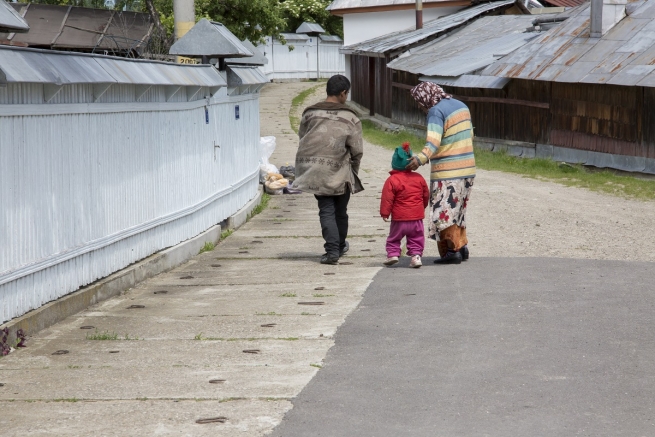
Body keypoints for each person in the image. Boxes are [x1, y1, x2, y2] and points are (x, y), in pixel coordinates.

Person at [293, 75, 364, 265]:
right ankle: (337, 248)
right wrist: (353, 171)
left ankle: (334, 249)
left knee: (326, 210)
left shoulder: (309, 114)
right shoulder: (350, 117)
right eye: (346, 94)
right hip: (340, 172)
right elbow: (357, 150)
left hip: (316, 171)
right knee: (340, 211)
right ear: (343, 93)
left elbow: (303, 138)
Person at [405, 82, 475, 265]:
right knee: (458, 210)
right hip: (468, 169)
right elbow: (471, 135)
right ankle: (462, 247)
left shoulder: (435, 112)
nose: (419, 106)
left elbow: (433, 142)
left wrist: (420, 159)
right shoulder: (461, 106)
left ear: (425, 97)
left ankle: (452, 251)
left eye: (419, 102)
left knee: (443, 212)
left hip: (448, 171)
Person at [380, 142, 429, 268]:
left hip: (399, 218)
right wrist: (422, 206)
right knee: (416, 238)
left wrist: (385, 213)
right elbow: (425, 195)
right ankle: (416, 257)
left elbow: (387, 198)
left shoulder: (392, 180)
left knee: (394, 237)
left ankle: (393, 254)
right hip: (416, 217)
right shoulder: (419, 178)